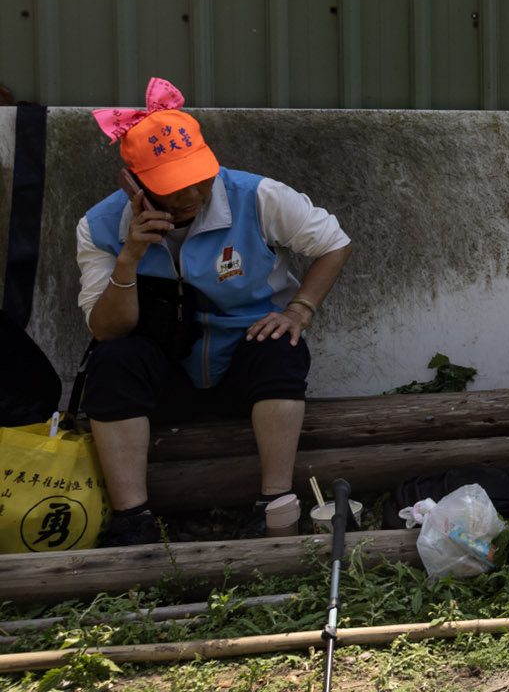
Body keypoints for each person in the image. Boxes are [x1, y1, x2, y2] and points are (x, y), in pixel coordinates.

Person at [76, 78, 352, 546]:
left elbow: (333, 243)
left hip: (244, 371)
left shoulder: (256, 195)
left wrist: (299, 309)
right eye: (173, 187)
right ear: (133, 183)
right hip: (166, 379)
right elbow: (106, 329)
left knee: (281, 348)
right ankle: (133, 520)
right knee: (113, 360)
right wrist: (129, 257)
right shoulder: (101, 226)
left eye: (199, 178)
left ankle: (274, 505)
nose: (192, 195)